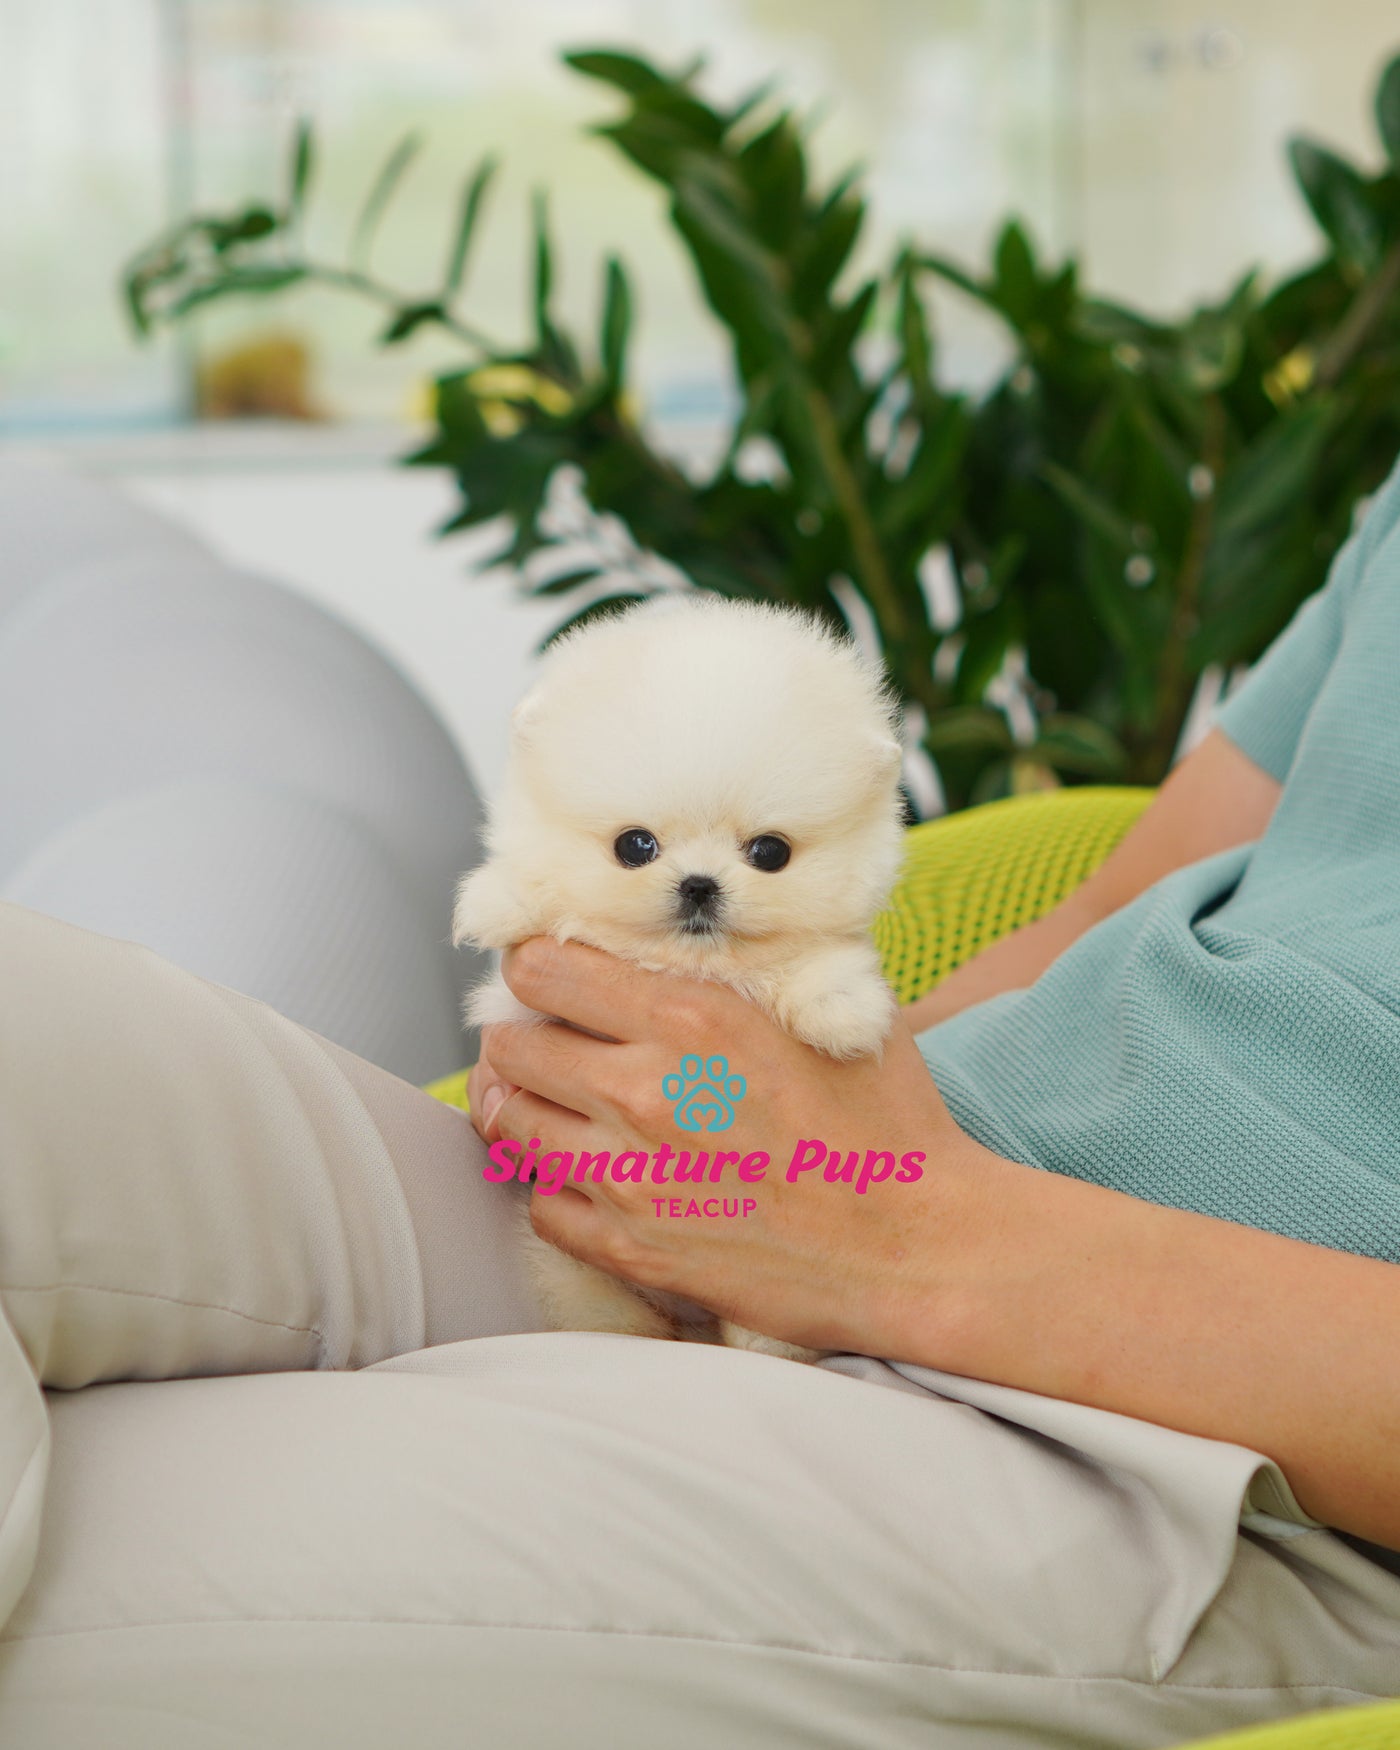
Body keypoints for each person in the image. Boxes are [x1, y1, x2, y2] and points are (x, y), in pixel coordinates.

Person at [3, 463, 1400, 1748]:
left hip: (1225, 1470)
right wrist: (731, 1089)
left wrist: (906, 1235)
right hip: (826, 1226)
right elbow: (1114, 901)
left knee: (62, 1600)